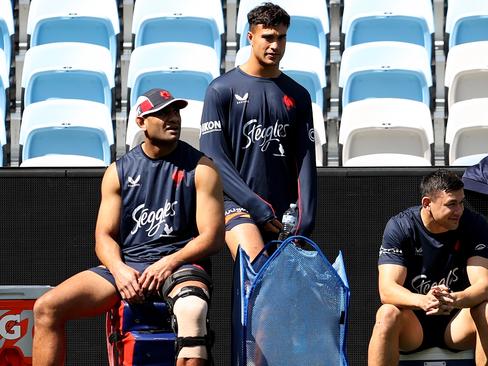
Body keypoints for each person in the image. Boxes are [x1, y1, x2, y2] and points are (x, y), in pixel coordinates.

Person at [32, 88, 225, 366]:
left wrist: (168, 263)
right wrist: (119, 270)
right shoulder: (119, 170)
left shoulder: (202, 167)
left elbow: (212, 237)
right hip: (130, 265)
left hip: (181, 263)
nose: (172, 118)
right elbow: (104, 236)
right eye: (162, 113)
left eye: (175, 112)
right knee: (47, 307)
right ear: (141, 121)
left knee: (192, 310)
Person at [199, 2, 316, 261]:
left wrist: (305, 218)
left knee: (275, 288)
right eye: (268, 37)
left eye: (282, 38)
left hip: (282, 213)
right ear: (251, 37)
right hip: (235, 205)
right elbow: (214, 158)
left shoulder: (298, 95)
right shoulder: (221, 89)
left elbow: (306, 161)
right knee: (255, 262)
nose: (275, 45)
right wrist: (255, 205)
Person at [368, 170, 488, 366]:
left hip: (456, 323)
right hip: (413, 325)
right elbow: (387, 290)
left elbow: (484, 287)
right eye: (451, 204)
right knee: (386, 313)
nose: (459, 210)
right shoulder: (400, 225)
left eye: (461, 202)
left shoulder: (474, 224)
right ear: (427, 203)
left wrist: (453, 299)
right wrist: (424, 301)